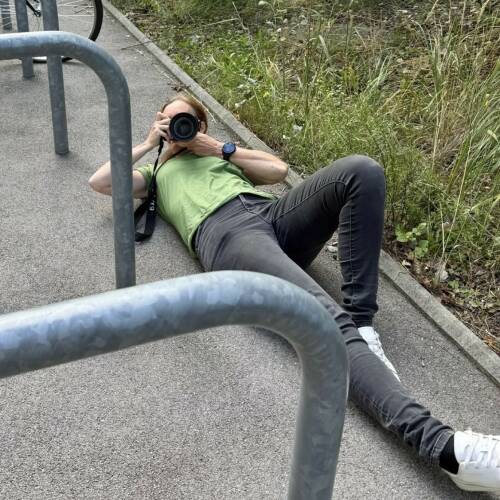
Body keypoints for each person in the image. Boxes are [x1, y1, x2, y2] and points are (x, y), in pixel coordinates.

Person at [89, 92, 500, 493]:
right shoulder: (156, 175)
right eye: (171, 120)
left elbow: (278, 171)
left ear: (203, 125)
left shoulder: (219, 154)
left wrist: (218, 148)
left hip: (270, 214)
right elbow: (101, 181)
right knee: (325, 322)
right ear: (161, 125)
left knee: (361, 171)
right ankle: (447, 450)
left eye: (188, 121)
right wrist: (150, 143)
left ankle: (362, 323)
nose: (180, 128)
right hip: (228, 234)